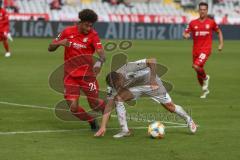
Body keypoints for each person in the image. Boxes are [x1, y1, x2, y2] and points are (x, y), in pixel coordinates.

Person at [94, 58, 197, 138]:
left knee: (170, 107)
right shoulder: (113, 85)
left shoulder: (128, 67)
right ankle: (125, 130)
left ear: (120, 78)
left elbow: (152, 61)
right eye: (114, 87)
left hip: (151, 83)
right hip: (135, 88)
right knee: (117, 99)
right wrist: (103, 126)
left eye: (117, 85)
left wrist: (152, 80)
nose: (117, 88)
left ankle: (189, 120)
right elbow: (108, 106)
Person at [48, 9, 106, 131]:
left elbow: (102, 54)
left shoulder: (93, 35)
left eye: (91, 25)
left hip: (87, 76)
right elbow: (50, 48)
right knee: (73, 108)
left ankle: (107, 108)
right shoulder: (67, 32)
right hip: (70, 76)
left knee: (94, 104)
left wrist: (100, 62)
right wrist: (59, 43)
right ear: (80, 22)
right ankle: (91, 120)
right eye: (87, 25)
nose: (89, 28)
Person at [183, 2, 224, 98]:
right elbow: (185, 33)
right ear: (198, 10)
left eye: (204, 9)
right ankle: (204, 89)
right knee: (198, 72)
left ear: (207, 11)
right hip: (195, 51)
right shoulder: (193, 23)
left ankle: (206, 78)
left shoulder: (211, 22)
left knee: (196, 66)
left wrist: (221, 44)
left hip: (206, 49)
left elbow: (219, 32)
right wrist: (186, 35)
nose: (202, 11)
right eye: (201, 9)